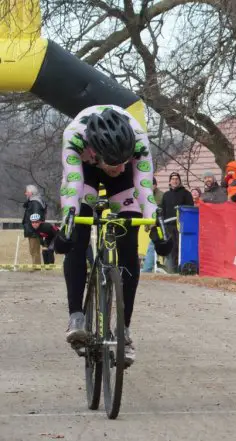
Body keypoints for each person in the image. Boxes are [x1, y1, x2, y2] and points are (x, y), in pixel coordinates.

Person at [54, 105, 173, 367]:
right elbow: (72, 186)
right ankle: (76, 316)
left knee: (128, 246)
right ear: (96, 153)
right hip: (85, 174)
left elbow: (145, 190)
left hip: (124, 183)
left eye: (123, 162)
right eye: (113, 164)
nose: (118, 168)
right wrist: (67, 225)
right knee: (77, 236)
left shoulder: (138, 139)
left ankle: (124, 331)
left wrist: (157, 230)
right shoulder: (74, 136)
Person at [161, 171, 193, 273]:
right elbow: (163, 210)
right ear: (169, 182)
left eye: (176, 179)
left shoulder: (186, 194)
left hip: (181, 226)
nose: (174, 181)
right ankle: (171, 269)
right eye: (173, 179)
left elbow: (190, 209)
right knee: (170, 248)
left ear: (179, 181)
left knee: (180, 247)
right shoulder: (166, 195)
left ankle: (181, 268)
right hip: (168, 226)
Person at [22, 185, 46, 267]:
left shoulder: (35, 203)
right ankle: (35, 267)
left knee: (34, 250)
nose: (25, 193)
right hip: (32, 230)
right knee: (32, 250)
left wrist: (35, 230)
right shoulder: (32, 202)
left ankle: (36, 269)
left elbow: (36, 218)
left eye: (27, 192)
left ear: (31, 193)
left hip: (34, 231)